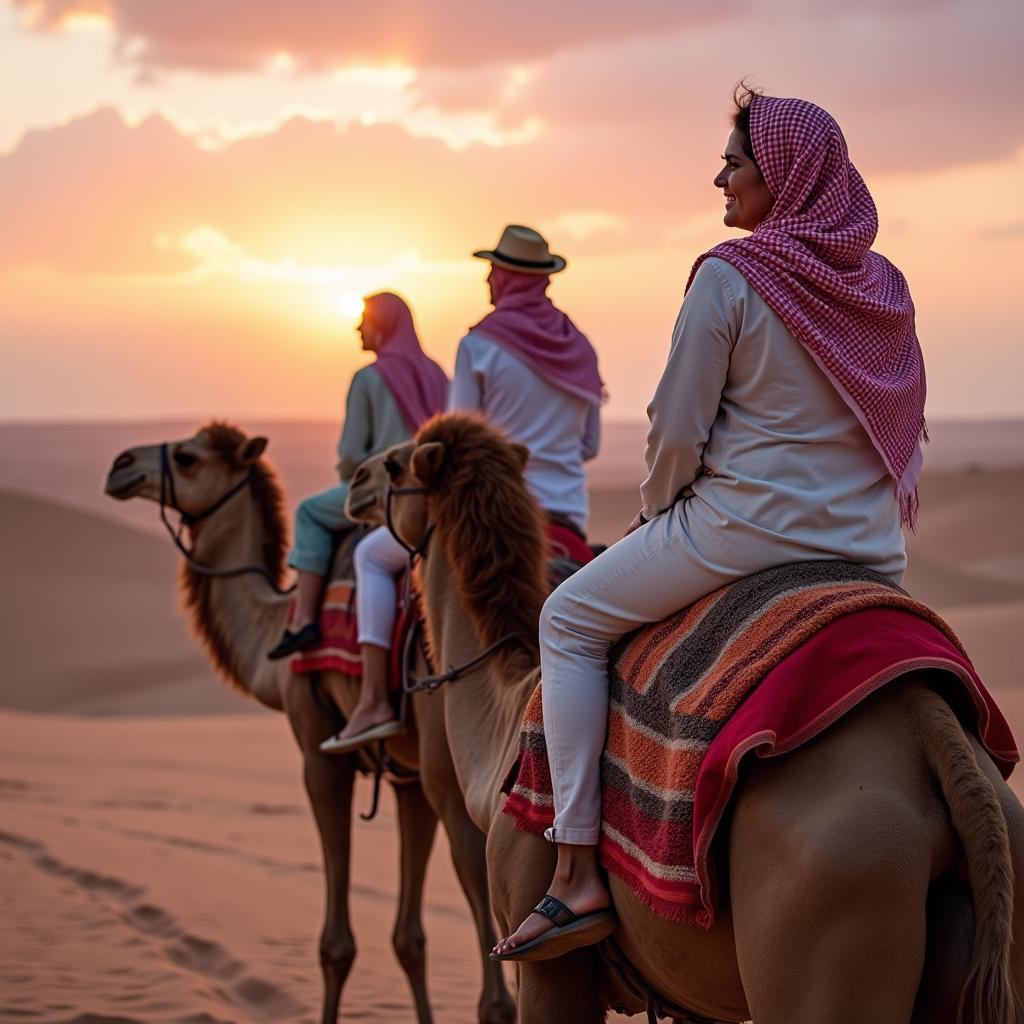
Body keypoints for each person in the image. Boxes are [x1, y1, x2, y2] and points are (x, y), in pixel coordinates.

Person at [491, 88, 926, 961]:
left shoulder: (735, 274)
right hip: (871, 552)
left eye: (735, 161)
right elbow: (906, 433)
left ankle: (575, 874)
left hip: (741, 532)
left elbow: (675, 427)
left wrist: (656, 515)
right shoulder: (883, 287)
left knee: (568, 618)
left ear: (786, 175)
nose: (719, 177)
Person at [320, 224, 602, 753]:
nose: (488, 281)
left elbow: (456, 441)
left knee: (374, 559)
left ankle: (376, 700)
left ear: (508, 277)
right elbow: (588, 444)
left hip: (494, 515)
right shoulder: (578, 348)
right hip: (569, 517)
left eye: (494, 271)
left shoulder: (482, 344)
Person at [267, 291, 448, 661]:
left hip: (383, 490)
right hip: (430, 491)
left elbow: (350, 454)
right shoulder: (438, 374)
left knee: (309, 512)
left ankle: (303, 620)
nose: (357, 328)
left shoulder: (368, 378)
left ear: (382, 327)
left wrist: (351, 475)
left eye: (364, 320)